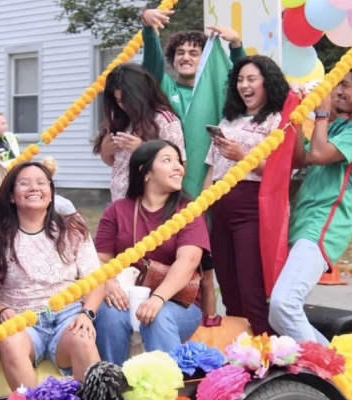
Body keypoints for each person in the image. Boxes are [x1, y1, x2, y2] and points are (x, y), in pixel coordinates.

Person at [269, 54, 352, 344]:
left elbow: (322, 154)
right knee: (279, 313)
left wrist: (321, 114)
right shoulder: (340, 125)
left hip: (323, 227)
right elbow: (301, 157)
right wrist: (298, 117)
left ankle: (335, 373)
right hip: (304, 223)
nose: (337, 92)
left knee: (283, 305)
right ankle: (331, 370)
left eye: (344, 86)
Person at [140, 10, 247, 325]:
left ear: (204, 58)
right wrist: (147, 27)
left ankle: (210, 324)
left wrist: (237, 46)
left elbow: (244, 78)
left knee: (209, 264)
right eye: (180, 53)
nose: (186, 57)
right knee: (169, 258)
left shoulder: (217, 91)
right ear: (171, 60)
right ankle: (169, 319)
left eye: (194, 52)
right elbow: (150, 64)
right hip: (168, 189)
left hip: (208, 187)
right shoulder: (161, 88)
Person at [94, 140, 210, 365]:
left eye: (178, 161)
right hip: (128, 295)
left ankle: (167, 389)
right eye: (168, 160)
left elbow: (188, 261)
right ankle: (111, 384)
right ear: (145, 172)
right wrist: (108, 284)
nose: (178, 166)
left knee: (159, 316)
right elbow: (100, 259)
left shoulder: (189, 210)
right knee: (109, 314)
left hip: (178, 303)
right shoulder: (117, 210)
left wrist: (157, 299)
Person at [0, 161, 103, 386]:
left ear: (51, 194)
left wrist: (86, 314)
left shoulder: (73, 231)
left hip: (68, 316)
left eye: (42, 183)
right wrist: (1, 309)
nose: (34, 188)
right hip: (23, 319)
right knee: (8, 339)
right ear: (11, 196)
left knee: (83, 338)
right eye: (24, 183)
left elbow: (96, 281)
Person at [203, 56, 291, 335]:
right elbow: (212, 168)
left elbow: (280, 173)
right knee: (228, 288)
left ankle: (268, 352)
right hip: (219, 207)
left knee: (252, 287)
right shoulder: (228, 120)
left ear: (268, 82)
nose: (244, 85)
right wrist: (201, 206)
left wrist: (243, 156)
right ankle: (240, 352)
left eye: (251, 79)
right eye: (240, 80)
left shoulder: (278, 121)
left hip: (251, 209)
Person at [92, 63, 186, 201]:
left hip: (150, 205)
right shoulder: (121, 119)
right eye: (118, 101)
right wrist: (106, 151)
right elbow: (116, 163)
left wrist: (143, 149)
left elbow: (180, 166)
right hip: (119, 202)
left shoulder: (164, 120)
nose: (123, 106)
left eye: (127, 101)